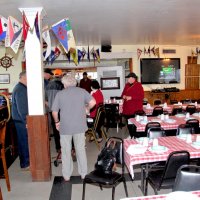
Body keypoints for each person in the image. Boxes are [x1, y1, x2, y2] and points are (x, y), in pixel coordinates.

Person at [52, 74, 96, 181]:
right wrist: (87, 108)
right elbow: (93, 102)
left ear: (65, 84)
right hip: (79, 126)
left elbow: (54, 112)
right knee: (80, 149)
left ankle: (66, 175)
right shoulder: (82, 91)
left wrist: (57, 122)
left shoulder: (60, 94)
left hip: (65, 127)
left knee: (66, 151)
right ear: (75, 82)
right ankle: (83, 173)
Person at [12, 71, 29, 170]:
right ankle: (25, 164)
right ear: (24, 78)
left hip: (19, 120)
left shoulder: (20, 87)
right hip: (21, 121)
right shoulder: (21, 89)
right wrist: (26, 121)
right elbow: (22, 109)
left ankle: (24, 162)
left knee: (23, 142)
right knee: (24, 143)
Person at [45, 69, 64, 152]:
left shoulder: (48, 85)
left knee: (56, 129)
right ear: (61, 76)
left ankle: (58, 147)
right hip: (61, 110)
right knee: (64, 129)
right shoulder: (62, 85)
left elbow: (44, 99)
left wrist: (50, 106)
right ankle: (66, 147)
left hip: (52, 110)